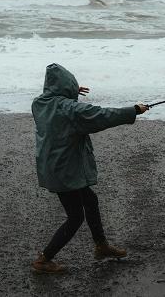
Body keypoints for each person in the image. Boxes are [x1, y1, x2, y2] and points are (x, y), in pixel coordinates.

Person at [31, 63, 149, 273]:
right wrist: (133, 111)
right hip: (65, 171)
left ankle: (101, 245)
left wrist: (69, 92)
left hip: (54, 166)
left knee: (90, 200)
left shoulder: (40, 104)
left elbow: (58, 102)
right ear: (65, 87)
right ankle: (44, 259)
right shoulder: (70, 110)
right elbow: (102, 115)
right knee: (75, 217)